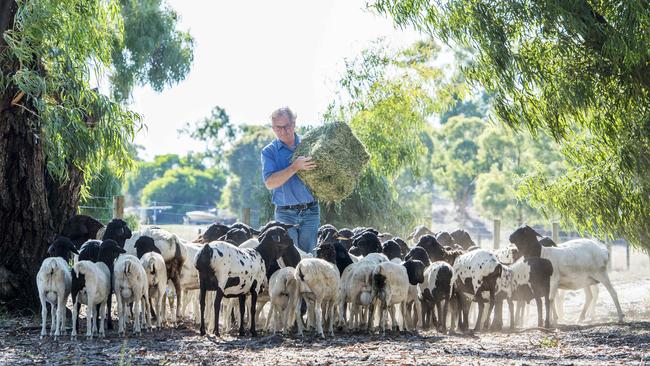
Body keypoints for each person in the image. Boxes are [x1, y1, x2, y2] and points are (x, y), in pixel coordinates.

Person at [261, 107, 320, 253]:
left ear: (294, 123)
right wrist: (295, 167)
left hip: (311, 212)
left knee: (310, 259)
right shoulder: (269, 152)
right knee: (290, 259)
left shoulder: (310, 145)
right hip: (285, 214)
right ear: (273, 128)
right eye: (277, 128)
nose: (282, 131)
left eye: (286, 126)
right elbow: (269, 183)